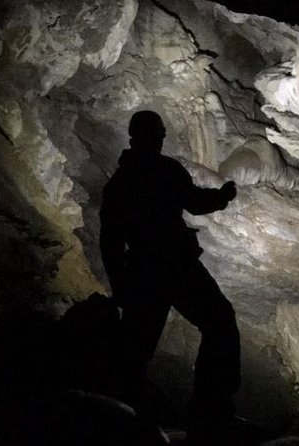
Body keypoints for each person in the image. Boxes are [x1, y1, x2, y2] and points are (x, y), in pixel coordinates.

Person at [99, 110, 241, 433]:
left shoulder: (121, 184)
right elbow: (194, 202)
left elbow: (110, 243)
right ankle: (209, 409)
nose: (159, 141)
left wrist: (121, 285)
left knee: (136, 353)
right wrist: (222, 198)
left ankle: (126, 421)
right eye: (158, 136)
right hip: (175, 268)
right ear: (152, 138)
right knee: (219, 322)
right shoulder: (163, 171)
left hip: (145, 272)